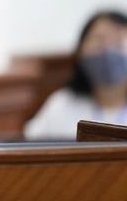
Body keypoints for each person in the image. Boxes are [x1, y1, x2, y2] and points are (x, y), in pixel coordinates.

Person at [24, 9, 127, 141]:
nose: (108, 51)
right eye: (99, 40)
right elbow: (31, 144)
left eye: (118, 43)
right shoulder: (62, 104)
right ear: (80, 50)